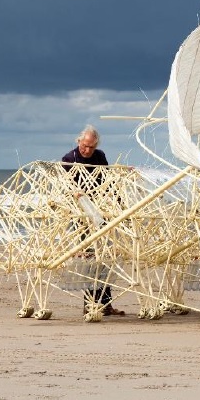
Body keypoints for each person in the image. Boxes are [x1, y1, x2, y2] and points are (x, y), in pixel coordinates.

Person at [62, 126, 124, 316]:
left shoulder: (100, 156)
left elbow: (108, 181)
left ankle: (106, 304)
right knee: (89, 258)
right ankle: (89, 304)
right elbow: (65, 187)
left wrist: (118, 202)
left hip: (101, 212)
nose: (87, 150)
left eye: (91, 147)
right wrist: (75, 194)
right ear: (79, 141)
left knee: (105, 257)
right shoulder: (69, 159)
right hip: (82, 216)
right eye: (85, 146)